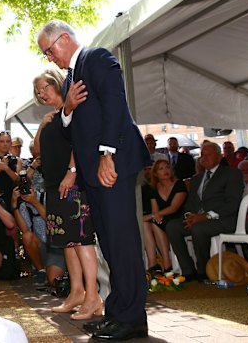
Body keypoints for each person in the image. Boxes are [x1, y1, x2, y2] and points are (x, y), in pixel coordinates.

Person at [37, 20, 151, 340]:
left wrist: (107, 154)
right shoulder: (70, 79)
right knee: (111, 246)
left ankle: (131, 317)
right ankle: (119, 312)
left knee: (122, 242)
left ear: (64, 38)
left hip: (111, 165)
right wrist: (68, 107)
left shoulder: (96, 58)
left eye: (49, 50)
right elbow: (66, 127)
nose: (49, 58)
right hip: (93, 175)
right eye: (44, 54)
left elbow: (116, 105)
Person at [31, 68, 101, 321]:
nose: (42, 93)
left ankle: (93, 296)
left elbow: (81, 142)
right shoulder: (53, 117)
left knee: (82, 241)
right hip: (53, 187)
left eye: (45, 88)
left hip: (72, 185)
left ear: (57, 83)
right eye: (39, 91)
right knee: (67, 243)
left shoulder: (72, 111)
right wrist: (42, 125)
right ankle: (76, 293)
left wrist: (72, 171)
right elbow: (37, 150)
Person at [166, 142, 244, 282]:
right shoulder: (197, 178)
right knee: (172, 227)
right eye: (202, 155)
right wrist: (189, 216)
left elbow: (232, 203)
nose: (204, 158)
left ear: (219, 157)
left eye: (209, 154)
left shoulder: (232, 174)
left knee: (198, 229)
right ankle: (188, 269)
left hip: (223, 219)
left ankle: (204, 270)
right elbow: (190, 204)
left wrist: (205, 216)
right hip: (198, 219)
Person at [143, 159, 187, 274]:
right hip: (162, 217)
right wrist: (154, 216)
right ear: (156, 174)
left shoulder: (179, 184)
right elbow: (155, 210)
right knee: (148, 223)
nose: (165, 171)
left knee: (155, 222)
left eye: (167, 167)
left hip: (178, 217)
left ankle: (167, 263)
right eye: (161, 169)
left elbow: (174, 208)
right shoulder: (154, 188)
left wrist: (154, 215)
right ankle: (153, 264)